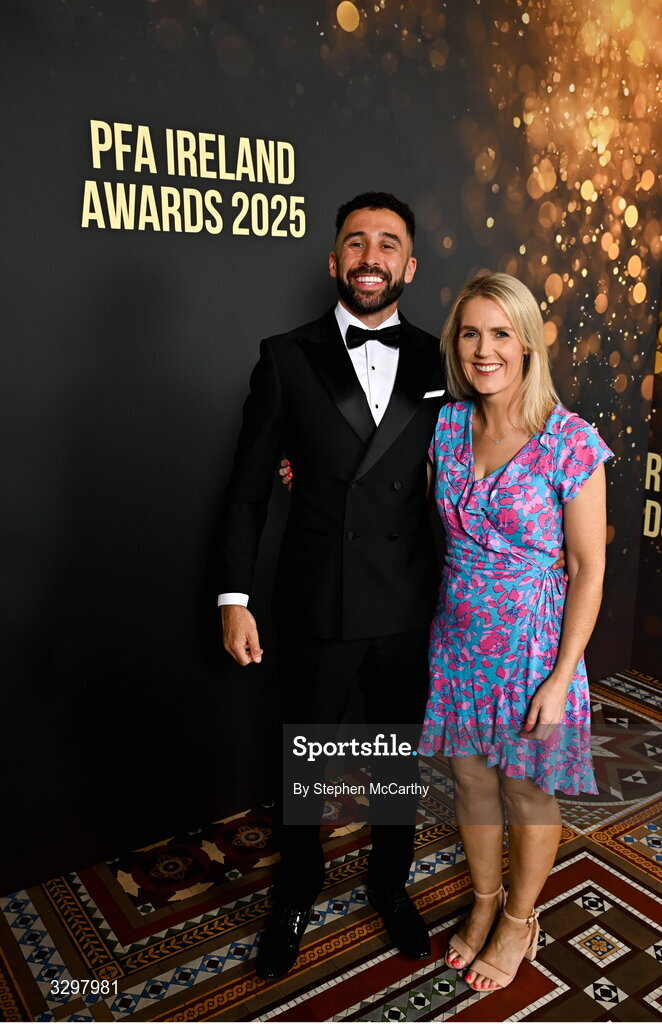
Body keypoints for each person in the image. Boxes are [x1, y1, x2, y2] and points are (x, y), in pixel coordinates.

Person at [218, 192, 448, 980]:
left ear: (409, 266)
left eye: (387, 244)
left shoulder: (443, 360)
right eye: (356, 242)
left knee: (391, 757)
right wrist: (232, 596)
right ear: (333, 260)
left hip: (407, 602)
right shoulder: (284, 355)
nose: (371, 257)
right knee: (304, 760)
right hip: (315, 600)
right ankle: (296, 890)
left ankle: (389, 883)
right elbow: (248, 488)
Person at [419, 271, 612, 991]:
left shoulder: (570, 441)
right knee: (468, 780)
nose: (482, 348)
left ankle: (522, 919)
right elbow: (372, 486)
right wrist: (300, 470)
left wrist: (561, 677)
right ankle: (483, 901)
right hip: (456, 635)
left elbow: (588, 569)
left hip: (533, 648)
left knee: (524, 788)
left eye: (500, 332)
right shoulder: (444, 425)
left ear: (528, 343)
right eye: (469, 332)